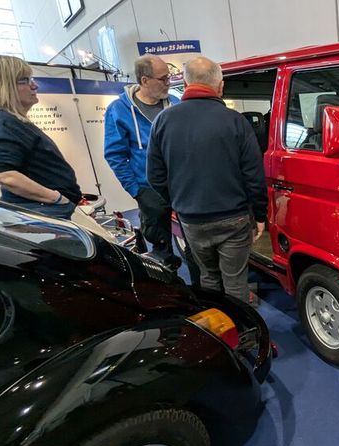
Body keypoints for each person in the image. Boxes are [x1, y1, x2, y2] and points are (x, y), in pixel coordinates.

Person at [147, 56, 267, 302]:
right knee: (235, 281)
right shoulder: (236, 122)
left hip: (191, 219)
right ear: (219, 86)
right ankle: (243, 334)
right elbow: (253, 175)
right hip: (233, 217)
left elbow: (155, 175)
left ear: (187, 82)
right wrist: (260, 214)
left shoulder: (162, 121)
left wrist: (179, 201)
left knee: (208, 277)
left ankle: (218, 332)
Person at [104, 54, 180, 268]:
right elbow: (115, 155)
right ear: (144, 80)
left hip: (181, 186)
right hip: (149, 189)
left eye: (169, 77)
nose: (168, 83)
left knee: (193, 244)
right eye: (163, 78)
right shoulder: (118, 110)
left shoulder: (175, 104)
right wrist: (137, 191)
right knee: (161, 245)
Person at [0, 55, 82, 219]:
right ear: (5, 86)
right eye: (24, 81)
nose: (34, 86)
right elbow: (5, 175)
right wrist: (57, 199)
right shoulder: (5, 122)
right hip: (43, 212)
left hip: (47, 211)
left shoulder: (13, 122)